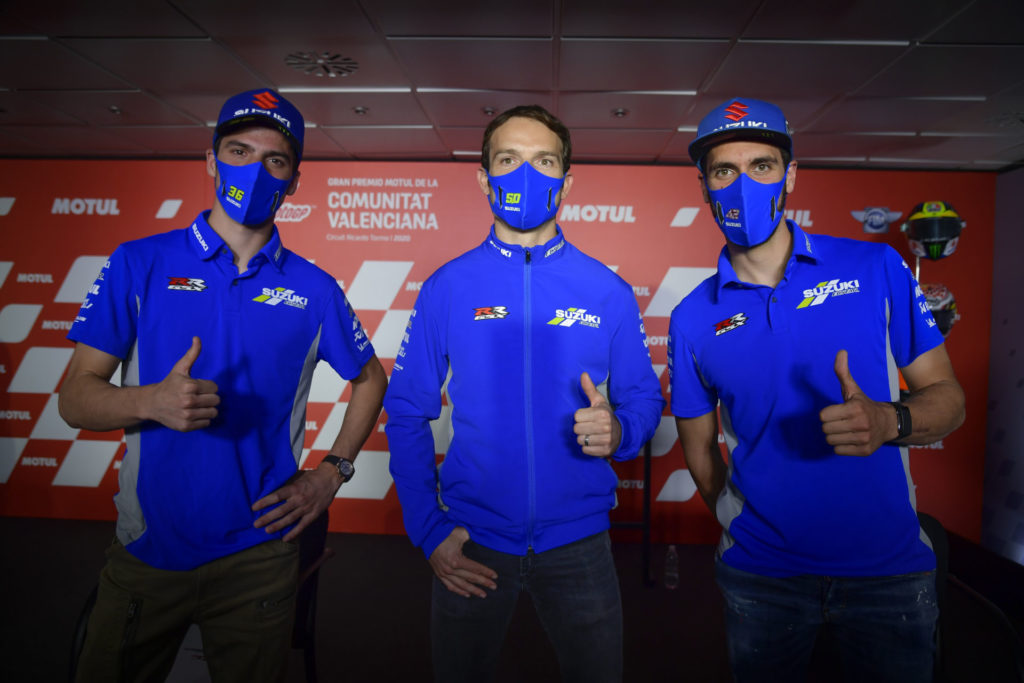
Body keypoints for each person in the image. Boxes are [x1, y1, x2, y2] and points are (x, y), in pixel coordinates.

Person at [59, 89, 387, 682]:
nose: (254, 170)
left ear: (293, 182)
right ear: (211, 161)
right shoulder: (140, 263)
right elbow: (74, 398)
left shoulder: (313, 288)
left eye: (275, 160)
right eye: (239, 150)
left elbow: (371, 378)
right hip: (147, 549)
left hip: (260, 556)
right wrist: (149, 401)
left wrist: (330, 473)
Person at [668, 97, 966, 682]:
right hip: (761, 577)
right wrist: (739, 521)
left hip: (890, 572)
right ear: (703, 185)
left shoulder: (877, 268)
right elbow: (699, 449)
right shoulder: (690, 316)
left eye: (762, 165)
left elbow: (948, 398)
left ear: (791, 174)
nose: (742, 184)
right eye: (724, 170)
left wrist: (889, 422)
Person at [384, 105, 664, 682]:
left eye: (544, 161)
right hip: (471, 539)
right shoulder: (447, 286)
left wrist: (621, 430)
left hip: (580, 542)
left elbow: (643, 399)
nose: (527, 176)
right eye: (509, 160)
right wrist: (427, 530)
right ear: (484, 178)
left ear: (567, 179)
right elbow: (407, 410)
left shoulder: (606, 290)